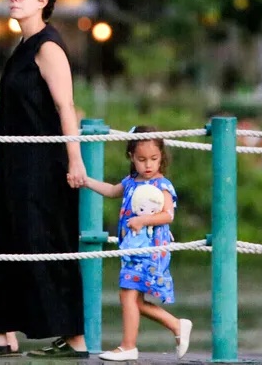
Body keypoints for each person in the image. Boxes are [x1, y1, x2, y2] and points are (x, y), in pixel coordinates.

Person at [0, 0, 89, 358]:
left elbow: (66, 107)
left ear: (43, 1)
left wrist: (75, 160)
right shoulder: (23, 47)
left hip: (40, 166)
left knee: (45, 244)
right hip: (13, 165)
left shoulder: (48, 46)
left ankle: (75, 339)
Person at [81, 126, 192, 361]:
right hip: (133, 249)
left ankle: (128, 345)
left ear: (162, 156)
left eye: (153, 158)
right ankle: (177, 325)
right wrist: (86, 181)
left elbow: (168, 215)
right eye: (142, 159)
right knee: (134, 299)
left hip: (149, 250)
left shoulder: (162, 185)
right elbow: (112, 191)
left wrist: (144, 220)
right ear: (131, 157)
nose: (148, 165)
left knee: (127, 295)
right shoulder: (131, 181)